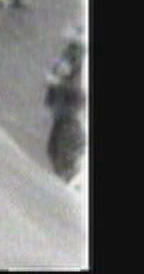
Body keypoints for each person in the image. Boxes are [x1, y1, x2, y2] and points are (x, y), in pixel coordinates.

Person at [45, 32, 87, 183]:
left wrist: (58, 83)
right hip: (62, 113)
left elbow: (81, 91)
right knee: (54, 149)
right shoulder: (71, 52)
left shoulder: (81, 58)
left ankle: (68, 183)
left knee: (65, 155)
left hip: (72, 117)